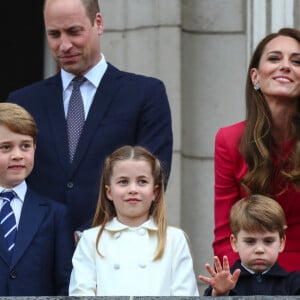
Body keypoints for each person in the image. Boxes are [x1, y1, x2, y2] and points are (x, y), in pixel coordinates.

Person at [7, 0, 173, 235]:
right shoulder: (23, 102)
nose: (64, 45)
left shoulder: (145, 94)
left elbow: (154, 176)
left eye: (74, 31)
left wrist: (94, 237)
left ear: (98, 23)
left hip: (114, 248)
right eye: (54, 34)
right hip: (39, 252)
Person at [213, 27, 300, 272]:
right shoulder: (229, 140)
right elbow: (224, 234)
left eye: (297, 61)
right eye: (274, 58)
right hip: (252, 276)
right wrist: (249, 282)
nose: (285, 66)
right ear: (255, 77)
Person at [68, 145, 199, 296]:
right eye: (123, 182)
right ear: (109, 192)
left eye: (142, 181)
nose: (133, 189)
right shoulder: (91, 240)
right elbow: (81, 293)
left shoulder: (174, 239)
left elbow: (185, 294)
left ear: (155, 192)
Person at [0, 103, 74, 296]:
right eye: (6, 147)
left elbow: (64, 282)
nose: (18, 155)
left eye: (25, 146)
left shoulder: (55, 214)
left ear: (34, 147)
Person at [199, 195, 300, 296]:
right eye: (250, 241)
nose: (259, 250)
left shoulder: (294, 283)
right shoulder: (225, 282)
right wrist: (219, 293)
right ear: (234, 243)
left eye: (268, 241)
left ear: (281, 243)